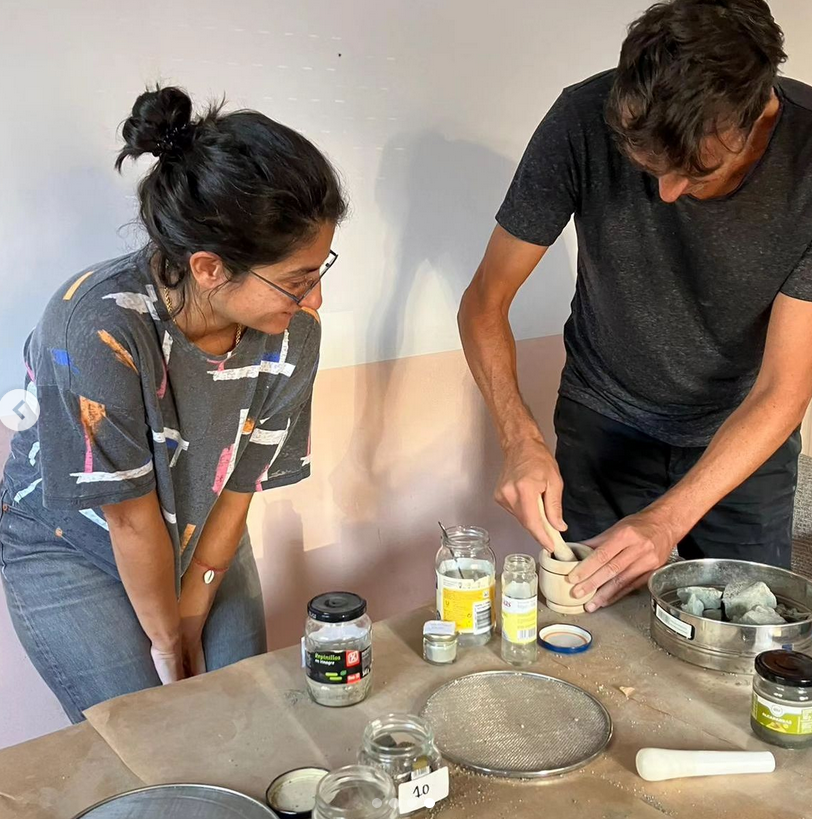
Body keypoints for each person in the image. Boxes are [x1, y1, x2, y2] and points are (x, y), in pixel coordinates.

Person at [0, 86, 346, 722]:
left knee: (243, 718)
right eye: (297, 280)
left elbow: (238, 486)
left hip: (200, 524)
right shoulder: (96, 327)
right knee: (152, 737)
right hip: (73, 542)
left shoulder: (292, 334)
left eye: (319, 269)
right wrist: (170, 642)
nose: (315, 299)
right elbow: (130, 521)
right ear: (210, 268)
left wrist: (194, 610)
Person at [459, 0, 812, 612]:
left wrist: (667, 520)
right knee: (585, 626)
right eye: (647, 167)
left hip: (742, 439)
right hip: (602, 420)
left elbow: (786, 387)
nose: (667, 194)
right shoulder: (582, 117)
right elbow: (484, 304)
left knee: (747, 635)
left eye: (698, 172)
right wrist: (519, 438)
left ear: (758, 115)